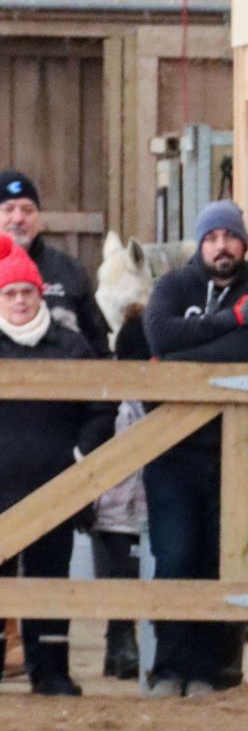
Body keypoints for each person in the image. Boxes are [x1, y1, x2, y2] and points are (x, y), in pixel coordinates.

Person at [143, 200, 248, 697]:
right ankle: (167, 668)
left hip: (233, 453)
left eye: (230, 236)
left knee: (220, 559)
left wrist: (175, 360)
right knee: (174, 558)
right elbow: (157, 333)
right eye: (212, 237)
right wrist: (230, 321)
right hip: (170, 451)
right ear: (200, 244)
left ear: (243, 243)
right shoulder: (172, 286)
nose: (221, 246)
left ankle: (206, 670)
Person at [0, 234, 114, 695]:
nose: (20, 300)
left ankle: (51, 671)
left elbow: (101, 406)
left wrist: (80, 457)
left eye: (27, 291)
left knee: (50, 577)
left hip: (56, 485)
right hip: (0, 486)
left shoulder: (71, 346)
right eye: (10, 292)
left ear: (40, 294)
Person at [90, 314, 150, 680]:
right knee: (117, 576)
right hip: (110, 505)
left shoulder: (153, 398)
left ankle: (126, 647)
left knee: (134, 575)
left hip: (144, 502)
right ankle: (119, 645)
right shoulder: (110, 398)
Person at [0, 171, 109, 357]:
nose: (18, 218)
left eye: (28, 210)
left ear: (39, 218)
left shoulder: (68, 270)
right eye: (8, 209)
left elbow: (97, 344)